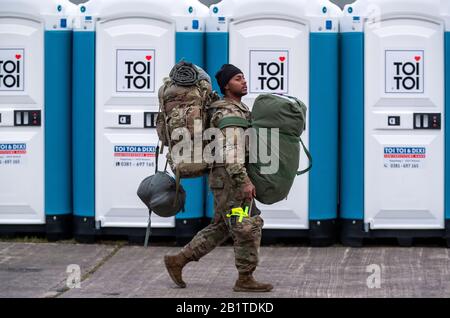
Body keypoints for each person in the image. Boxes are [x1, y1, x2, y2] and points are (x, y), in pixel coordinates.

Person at [164, 64, 273, 292]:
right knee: (246, 226)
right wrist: (243, 180)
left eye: (243, 77)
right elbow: (231, 151)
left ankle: (178, 260)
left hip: (224, 179)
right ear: (226, 85)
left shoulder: (238, 108)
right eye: (237, 78)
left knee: (223, 226)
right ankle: (245, 278)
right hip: (231, 179)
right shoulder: (227, 112)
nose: (243, 81)